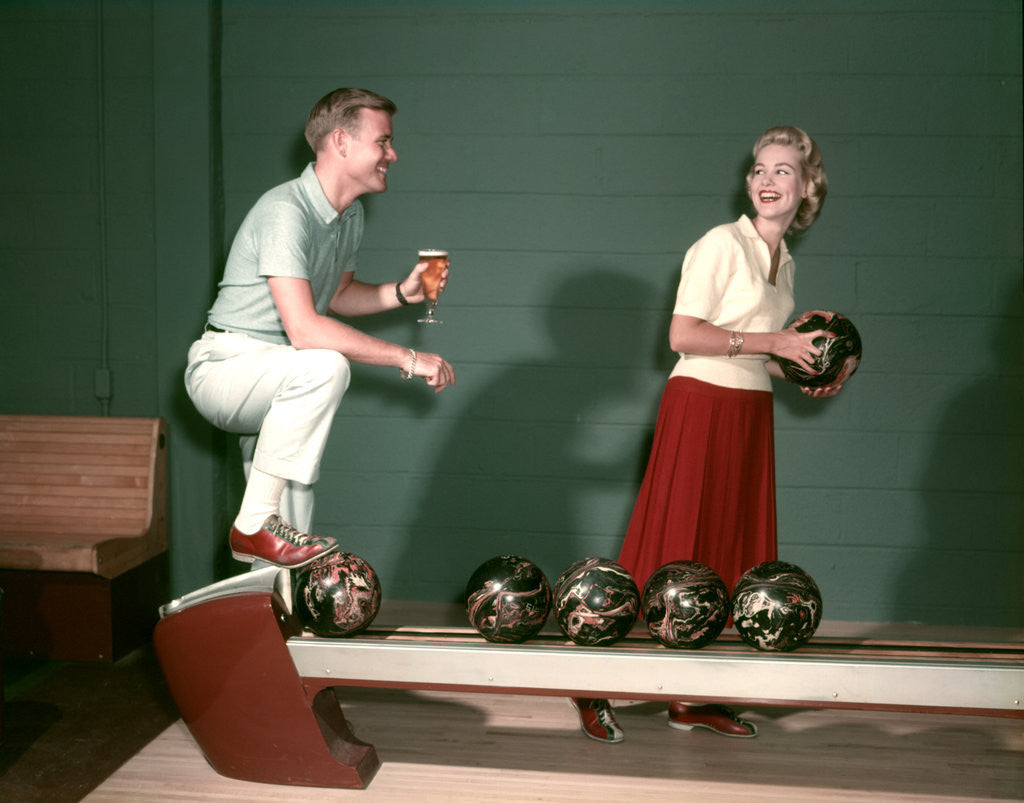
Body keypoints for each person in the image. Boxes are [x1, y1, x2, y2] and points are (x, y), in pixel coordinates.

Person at [571, 126, 837, 743]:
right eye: (759, 170)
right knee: (669, 540)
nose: (767, 181)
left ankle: (694, 698)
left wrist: (801, 374)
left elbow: (755, 351)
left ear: (808, 189)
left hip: (749, 412)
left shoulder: (784, 262)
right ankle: (591, 678)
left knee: (729, 551)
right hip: (699, 403)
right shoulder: (721, 244)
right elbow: (685, 336)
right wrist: (776, 342)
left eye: (783, 171)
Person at [185, 88, 455, 570]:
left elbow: (335, 297)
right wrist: (407, 359)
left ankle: (270, 607)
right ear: (341, 143)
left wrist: (402, 292)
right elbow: (307, 329)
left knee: (292, 535)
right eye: (384, 142)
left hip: (278, 376)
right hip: (228, 368)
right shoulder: (284, 212)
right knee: (324, 367)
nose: (392, 154)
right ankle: (249, 528)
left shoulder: (347, 216)